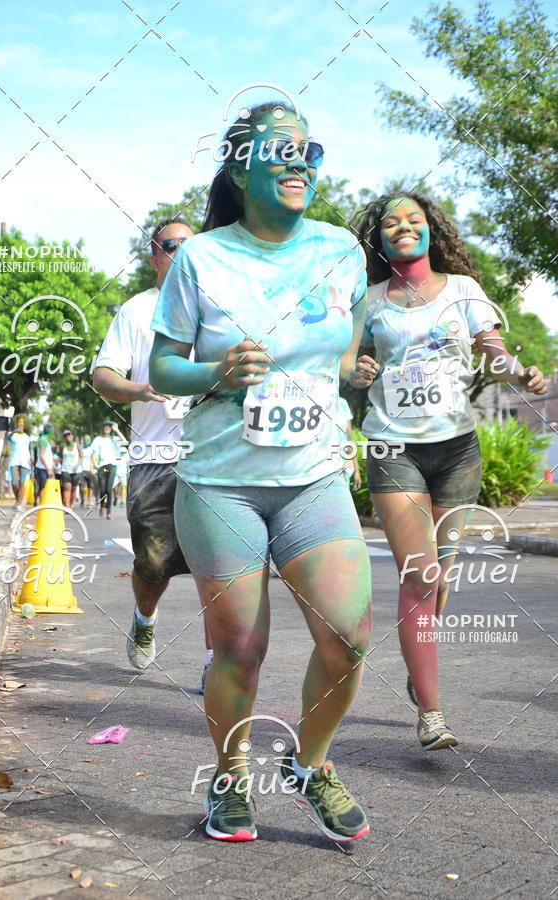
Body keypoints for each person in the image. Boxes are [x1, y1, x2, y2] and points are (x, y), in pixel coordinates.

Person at [149, 102, 371, 843]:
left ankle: (311, 765)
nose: (297, 161)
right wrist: (216, 369)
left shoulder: (343, 250)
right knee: (241, 646)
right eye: (278, 149)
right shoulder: (201, 258)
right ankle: (229, 774)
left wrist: (344, 387)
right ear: (240, 167)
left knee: (350, 635)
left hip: (313, 477)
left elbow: (345, 343)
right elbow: (162, 367)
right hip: (221, 484)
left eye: (307, 149)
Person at [352, 192, 547, 751]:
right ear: (380, 237)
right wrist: (361, 371)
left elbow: (494, 351)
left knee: (442, 574)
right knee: (421, 573)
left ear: (431, 231)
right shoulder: (368, 302)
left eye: (414, 219)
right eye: (390, 222)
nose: (403, 227)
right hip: (395, 448)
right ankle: (432, 713)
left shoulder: (463, 291)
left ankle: (422, 666)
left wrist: (520, 375)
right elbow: (352, 365)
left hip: (457, 450)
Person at [94, 217, 214, 686]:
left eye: (190, 244)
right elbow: (103, 376)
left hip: (212, 456)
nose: (181, 252)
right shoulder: (137, 310)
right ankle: (145, 620)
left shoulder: (218, 308)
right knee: (154, 564)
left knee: (216, 564)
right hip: (153, 457)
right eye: (170, 245)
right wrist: (138, 390)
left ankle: (215, 665)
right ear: (154, 257)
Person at [89, 421, 125, 519]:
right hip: (102, 467)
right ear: (103, 428)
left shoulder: (115, 439)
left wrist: (117, 430)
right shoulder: (98, 439)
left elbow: (125, 442)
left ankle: (109, 512)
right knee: (103, 489)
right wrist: (92, 466)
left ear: (111, 428)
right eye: (105, 426)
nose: (107, 428)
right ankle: (102, 507)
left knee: (109, 490)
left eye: (109, 427)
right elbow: (91, 452)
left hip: (112, 466)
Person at [7, 414, 32, 511]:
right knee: (14, 483)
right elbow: (7, 438)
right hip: (14, 460)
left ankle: (19, 503)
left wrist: (32, 459)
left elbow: (30, 449)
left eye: (22, 422)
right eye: (19, 422)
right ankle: (19, 500)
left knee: (22, 482)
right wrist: (14, 431)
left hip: (25, 460)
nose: (20, 424)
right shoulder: (12, 435)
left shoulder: (27, 436)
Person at [59, 429, 83, 508]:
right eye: (65, 436)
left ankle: (71, 504)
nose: (67, 437)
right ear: (64, 438)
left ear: (72, 436)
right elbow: (60, 456)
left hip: (77, 471)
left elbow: (81, 456)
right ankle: (67, 506)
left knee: (74, 488)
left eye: (69, 435)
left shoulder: (77, 445)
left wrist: (77, 465)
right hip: (65, 470)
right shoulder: (62, 446)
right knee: (67, 487)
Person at [34, 423, 55, 497]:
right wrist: (48, 469)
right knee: (43, 487)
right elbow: (41, 456)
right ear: (50, 431)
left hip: (47, 468)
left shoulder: (47, 440)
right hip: (42, 468)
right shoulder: (43, 440)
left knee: (49, 487)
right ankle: (42, 506)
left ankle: (46, 505)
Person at [79, 435, 96, 509]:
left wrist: (92, 468)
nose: (86, 441)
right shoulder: (81, 449)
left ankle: (89, 502)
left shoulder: (91, 449)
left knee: (90, 487)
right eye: (85, 440)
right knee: (82, 488)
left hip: (89, 470)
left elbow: (92, 459)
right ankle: (82, 499)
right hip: (81, 470)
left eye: (87, 439)